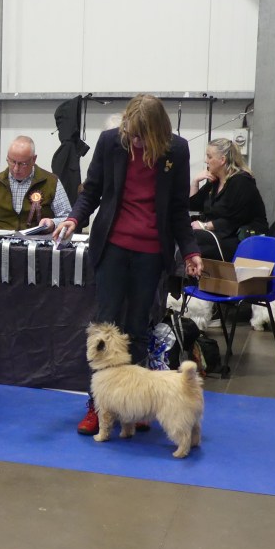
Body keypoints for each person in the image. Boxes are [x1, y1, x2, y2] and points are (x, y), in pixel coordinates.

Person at [53, 94, 203, 435]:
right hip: (112, 248)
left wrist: (191, 251)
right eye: (130, 134)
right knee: (104, 329)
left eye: (140, 136)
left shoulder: (176, 151)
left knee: (136, 329)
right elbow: (91, 191)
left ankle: (132, 405)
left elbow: (179, 209)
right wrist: (74, 220)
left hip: (151, 254)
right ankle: (98, 406)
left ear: (157, 133)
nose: (133, 141)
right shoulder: (111, 142)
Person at [189, 138, 268, 262]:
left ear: (222, 160)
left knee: (194, 240)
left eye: (209, 157)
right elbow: (193, 205)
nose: (206, 161)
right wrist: (195, 182)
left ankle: (181, 278)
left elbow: (234, 221)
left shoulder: (241, 182)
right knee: (185, 236)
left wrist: (204, 226)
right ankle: (181, 278)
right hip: (221, 235)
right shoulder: (215, 181)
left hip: (241, 239)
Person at [0, 135, 71, 232]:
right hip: (0, 242)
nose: (16, 169)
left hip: (38, 243)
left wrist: (53, 223)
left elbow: (67, 218)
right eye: (12, 162)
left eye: (23, 164)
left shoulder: (51, 181)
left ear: (34, 159)